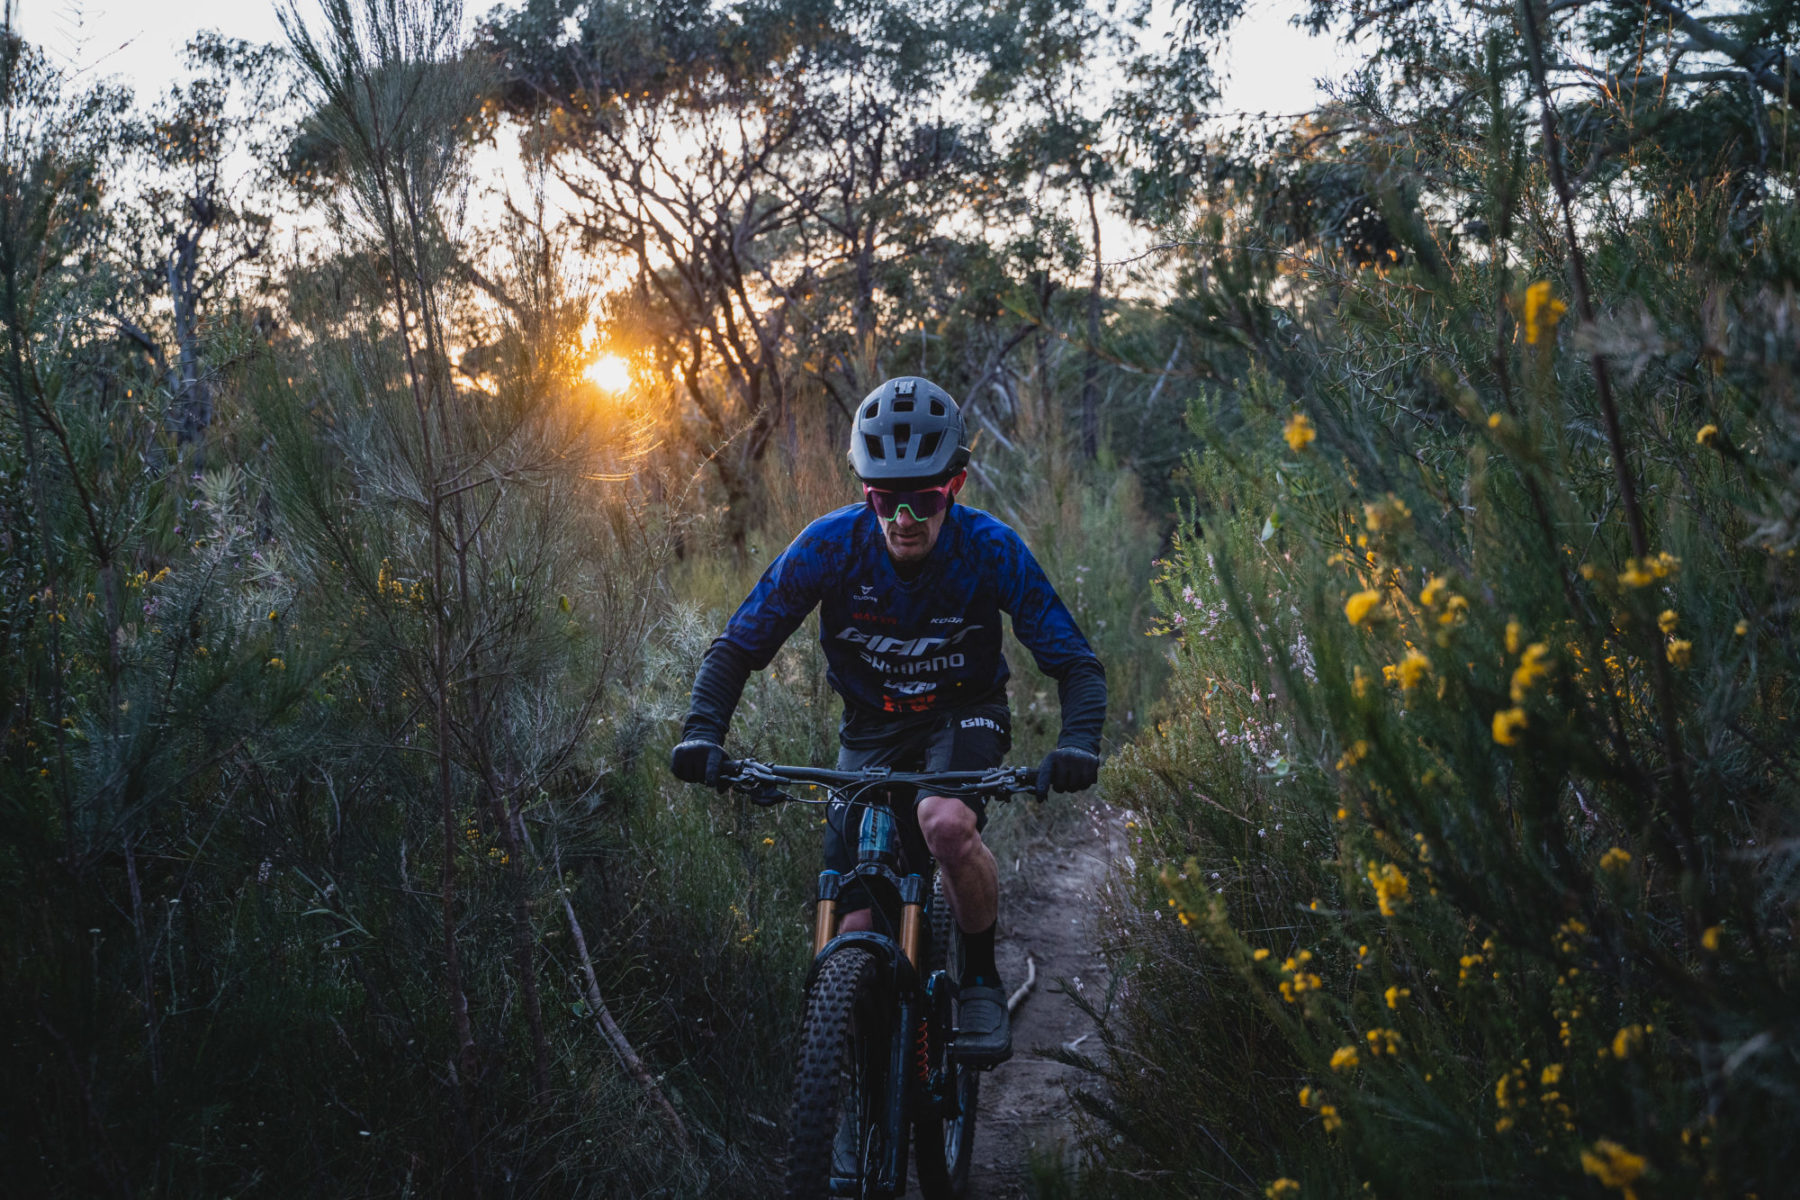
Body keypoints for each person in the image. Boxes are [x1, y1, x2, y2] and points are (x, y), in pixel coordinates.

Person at [669, 376, 1106, 1065]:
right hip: (871, 728)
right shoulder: (831, 545)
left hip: (965, 714)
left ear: (955, 486)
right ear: (864, 490)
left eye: (924, 499)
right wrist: (702, 731)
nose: (904, 518)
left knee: (944, 823)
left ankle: (984, 977)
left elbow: (1075, 663)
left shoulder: (990, 549)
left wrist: (1078, 743)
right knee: (858, 916)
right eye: (884, 499)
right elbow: (738, 647)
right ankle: (859, 1080)